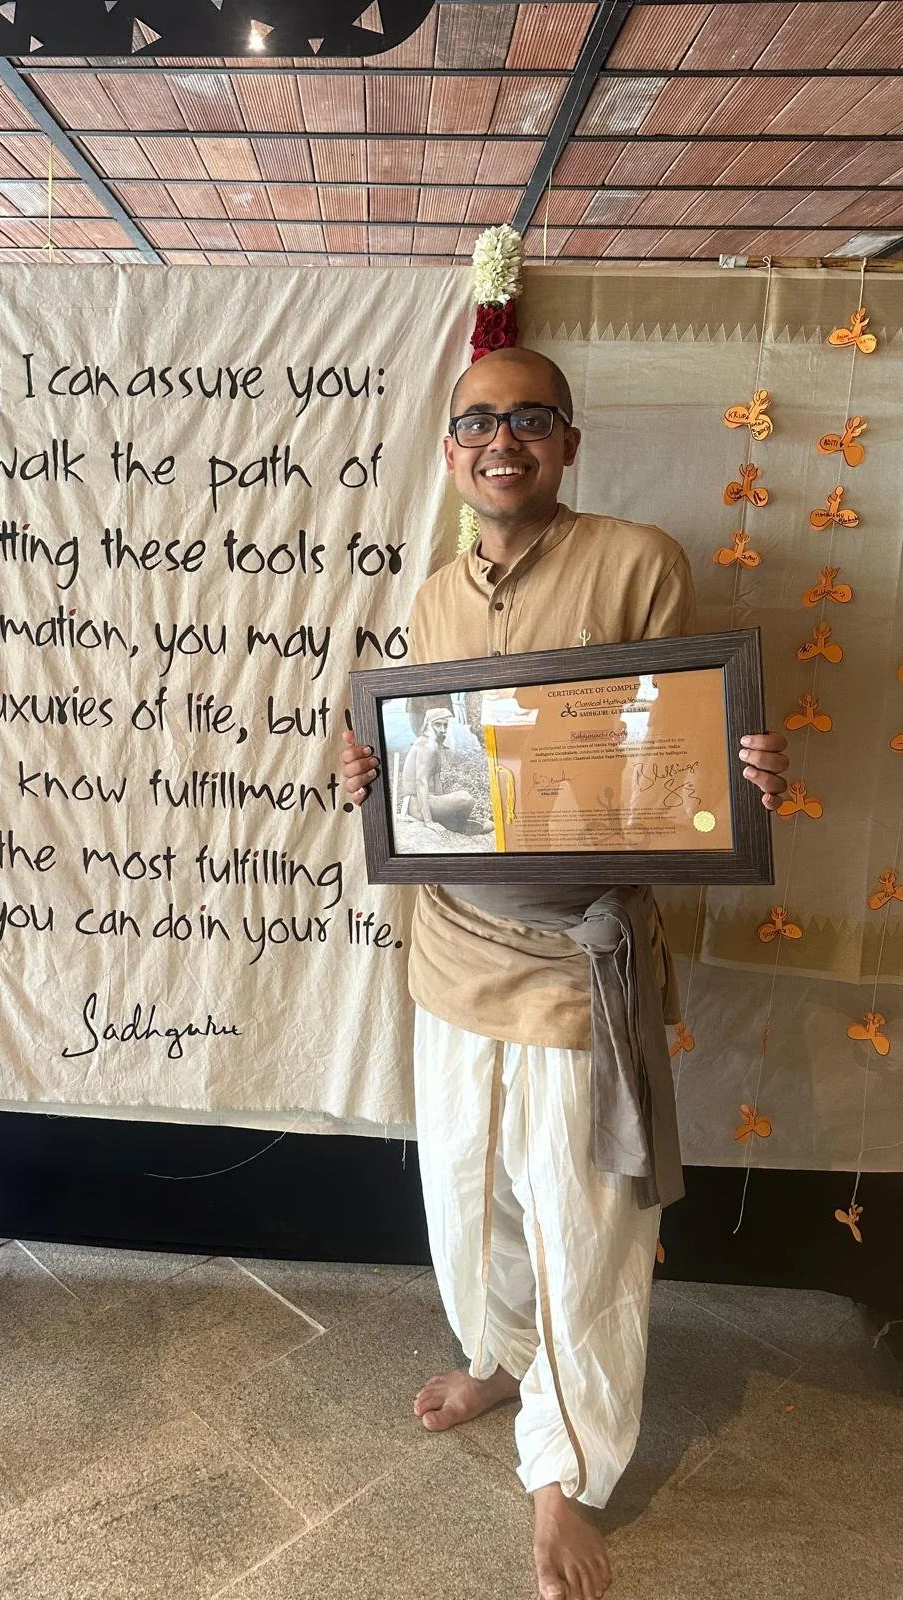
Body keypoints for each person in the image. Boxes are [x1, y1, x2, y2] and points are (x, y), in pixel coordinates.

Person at [340, 347, 788, 1600]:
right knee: (469, 1195)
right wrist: (371, 773)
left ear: (568, 443)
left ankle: (564, 1475)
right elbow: (446, 768)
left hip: (574, 969)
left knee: (583, 1226)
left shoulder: (638, 560)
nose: (503, 440)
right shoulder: (431, 596)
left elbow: (662, 760)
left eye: (530, 419)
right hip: (448, 954)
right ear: (450, 452)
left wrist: (731, 777)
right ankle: (493, 1358)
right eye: (478, 421)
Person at [398, 706, 476, 833]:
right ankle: (458, 826)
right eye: (438, 725)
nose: (442, 730)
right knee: (465, 798)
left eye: (445, 725)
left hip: (432, 801)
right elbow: (421, 782)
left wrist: (443, 809)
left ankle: (455, 825)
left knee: (487, 823)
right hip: (416, 805)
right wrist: (428, 821)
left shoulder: (434, 745)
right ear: (428, 725)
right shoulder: (426, 746)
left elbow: (436, 780)